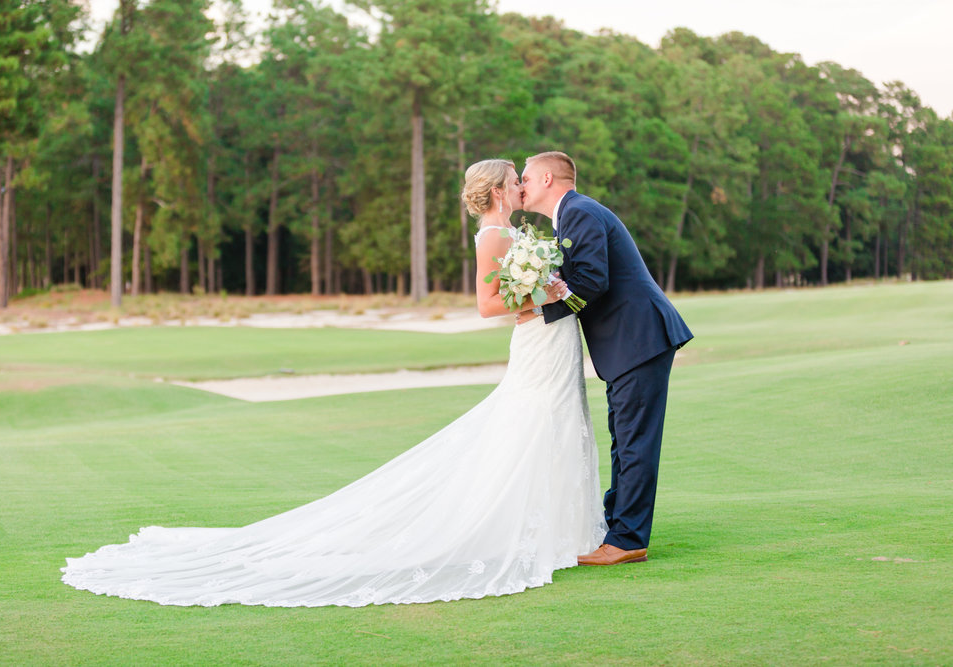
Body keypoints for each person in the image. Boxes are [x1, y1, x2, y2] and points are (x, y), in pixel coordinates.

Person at [60, 158, 606, 608]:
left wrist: (547, 284)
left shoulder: (516, 233)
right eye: (514, 180)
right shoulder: (492, 236)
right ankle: (518, 528)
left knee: (559, 421)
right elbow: (490, 304)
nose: (520, 185)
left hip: (552, 342)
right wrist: (545, 293)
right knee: (530, 424)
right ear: (495, 191)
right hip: (537, 340)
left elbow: (524, 290)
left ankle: (564, 530)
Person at [521, 151, 693, 566]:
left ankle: (629, 539)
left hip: (638, 338)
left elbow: (593, 280)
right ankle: (616, 529)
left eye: (524, 177)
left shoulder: (578, 212)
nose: (521, 185)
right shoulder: (572, 215)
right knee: (625, 439)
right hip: (629, 343)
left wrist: (542, 311)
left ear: (547, 178)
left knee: (635, 442)